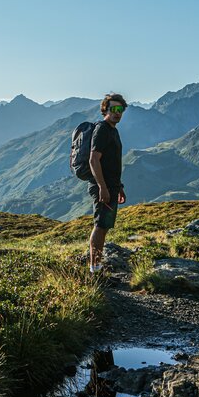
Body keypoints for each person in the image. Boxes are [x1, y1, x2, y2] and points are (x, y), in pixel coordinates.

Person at [88, 94, 127, 273]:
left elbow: (112, 162)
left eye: (120, 110)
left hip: (111, 187)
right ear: (105, 109)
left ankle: (98, 267)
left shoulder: (113, 130)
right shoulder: (102, 129)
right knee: (100, 225)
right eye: (113, 109)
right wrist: (102, 187)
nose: (117, 113)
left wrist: (118, 187)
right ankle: (94, 270)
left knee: (104, 227)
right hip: (102, 188)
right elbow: (94, 160)